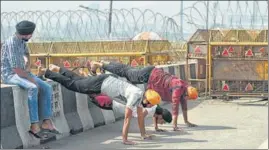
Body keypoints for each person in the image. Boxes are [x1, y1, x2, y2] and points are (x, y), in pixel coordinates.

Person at [37, 64, 161, 145]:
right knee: (74, 85)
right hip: (101, 84)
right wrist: (125, 139)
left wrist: (143, 135)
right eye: (151, 105)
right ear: (147, 101)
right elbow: (127, 120)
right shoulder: (135, 96)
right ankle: (46, 72)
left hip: (104, 82)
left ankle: (57, 68)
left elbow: (140, 117)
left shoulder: (140, 95)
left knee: (80, 81)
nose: (150, 108)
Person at [90, 61, 199, 131]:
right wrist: (174, 126)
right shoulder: (178, 88)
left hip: (151, 73)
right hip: (148, 75)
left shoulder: (184, 87)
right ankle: (100, 65)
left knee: (127, 70)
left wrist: (186, 121)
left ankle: (105, 63)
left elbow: (183, 106)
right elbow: (175, 107)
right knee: (126, 72)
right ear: (187, 94)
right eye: (189, 98)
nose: (187, 100)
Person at [0, 20, 59, 139]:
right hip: (10, 75)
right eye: (30, 34)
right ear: (25, 33)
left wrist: (27, 66)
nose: (31, 36)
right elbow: (15, 69)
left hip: (23, 72)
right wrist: (31, 80)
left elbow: (27, 53)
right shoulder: (12, 43)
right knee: (33, 87)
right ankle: (34, 125)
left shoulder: (22, 41)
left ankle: (47, 122)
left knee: (46, 87)